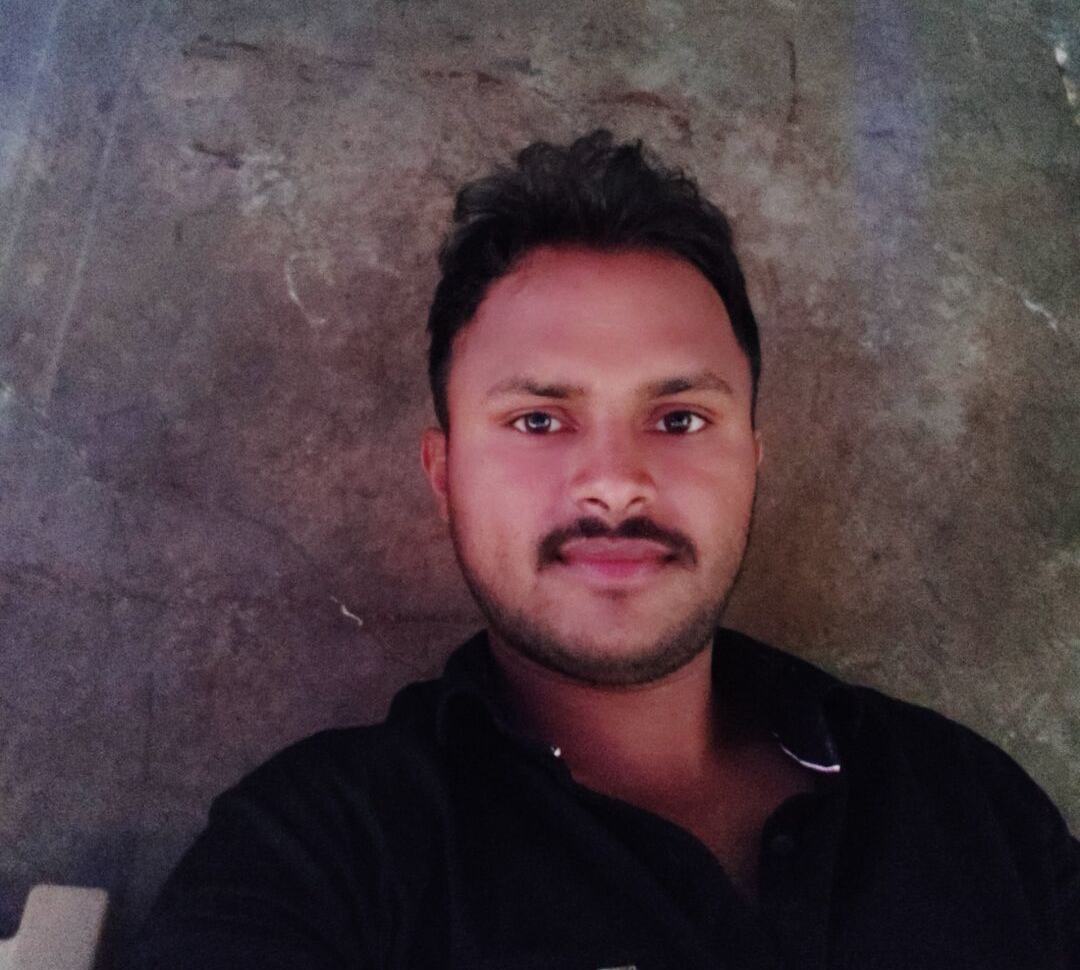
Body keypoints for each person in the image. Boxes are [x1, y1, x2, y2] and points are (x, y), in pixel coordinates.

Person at [137, 132, 1080, 969]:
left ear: (751, 462)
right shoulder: (319, 858)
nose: (616, 485)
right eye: (539, 419)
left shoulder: (974, 806)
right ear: (445, 474)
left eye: (679, 418)